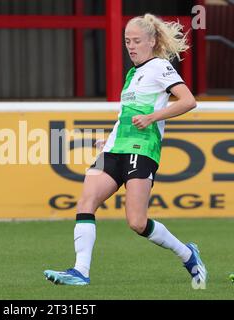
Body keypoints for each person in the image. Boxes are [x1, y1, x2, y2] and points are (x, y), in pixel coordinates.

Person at [44, 13, 207, 286]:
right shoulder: (133, 73)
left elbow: (189, 101)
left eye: (136, 41)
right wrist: (109, 139)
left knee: (137, 222)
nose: (130, 46)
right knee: (86, 201)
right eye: (127, 41)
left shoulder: (159, 67)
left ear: (152, 41)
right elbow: (126, 115)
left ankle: (187, 254)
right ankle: (80, 271)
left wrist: (153, 118)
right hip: (114, 148)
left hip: (142, 149)